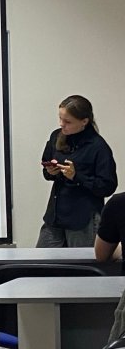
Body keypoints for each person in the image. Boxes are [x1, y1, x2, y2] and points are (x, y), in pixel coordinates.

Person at [36, 95, 117, 248]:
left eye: (67, 122)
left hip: (83, 220)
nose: (61, 124)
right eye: (60, 118)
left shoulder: (98, 147)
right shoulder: (56, 136)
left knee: (80, 262)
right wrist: (51, 172)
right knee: (40, 260)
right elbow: (46, 169)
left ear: (84, 121)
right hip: (55, 217)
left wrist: (76, 176)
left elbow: (107, 186)